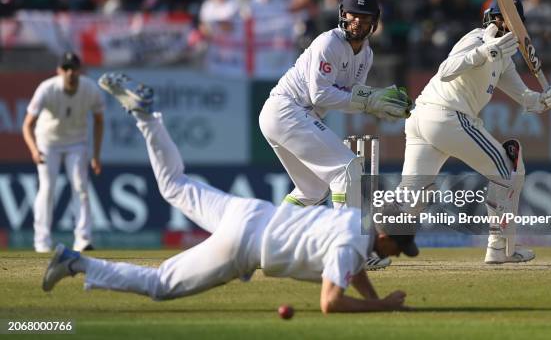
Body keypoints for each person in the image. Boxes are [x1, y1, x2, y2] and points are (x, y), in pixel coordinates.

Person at [42, 73, 417, 313]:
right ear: (383, 236)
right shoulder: (351, 245)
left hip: (251, 212)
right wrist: (382, 305)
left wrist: (372, 296)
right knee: (159, 286)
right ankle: (76, 263)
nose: (397, 255)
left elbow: (351, 267)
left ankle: (146, 118)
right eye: (398, 248)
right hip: (244, 248)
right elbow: (329, 302)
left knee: (175, 185)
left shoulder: (354, 224)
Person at [399, 0, 551, 264]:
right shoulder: (477, 38)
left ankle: (367, 248)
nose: (502, 24)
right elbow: (445, 71)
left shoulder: (504, 58)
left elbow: (525, 98)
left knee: (411, 198)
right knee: (508, 169)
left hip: (424, 118)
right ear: (492, 18)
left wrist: (544, 100)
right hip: (446, 115)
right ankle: (500, 248)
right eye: (501, 18)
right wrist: (485, 51)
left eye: (510, 21)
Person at [258, 0, 411, 270]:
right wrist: (370, 101)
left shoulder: (366, 54)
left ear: (374, 21)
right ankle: (351, 250)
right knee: (348, 169)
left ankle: (265, 243)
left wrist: (378, 105)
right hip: (287, 109)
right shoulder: (328, 43)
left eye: (365, 18)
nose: (358, 22)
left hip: (290, 115)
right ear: (343, 14)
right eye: (354, 15)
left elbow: (353, 93)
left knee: (313, 189)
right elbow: (321, 95)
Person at [22, 52, 105, 253]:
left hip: (77, 142)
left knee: (81, 186)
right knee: (48, 187)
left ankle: (83, 239)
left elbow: (99, 121)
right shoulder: (47, 89)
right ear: (59, 71)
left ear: (80, 70)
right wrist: (34, 150)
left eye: (74, 69)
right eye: (66, 69)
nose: (70, 73)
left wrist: (96, 155)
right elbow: (27, 125)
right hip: (48, 142)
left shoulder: (90, 89)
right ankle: (42, 242)